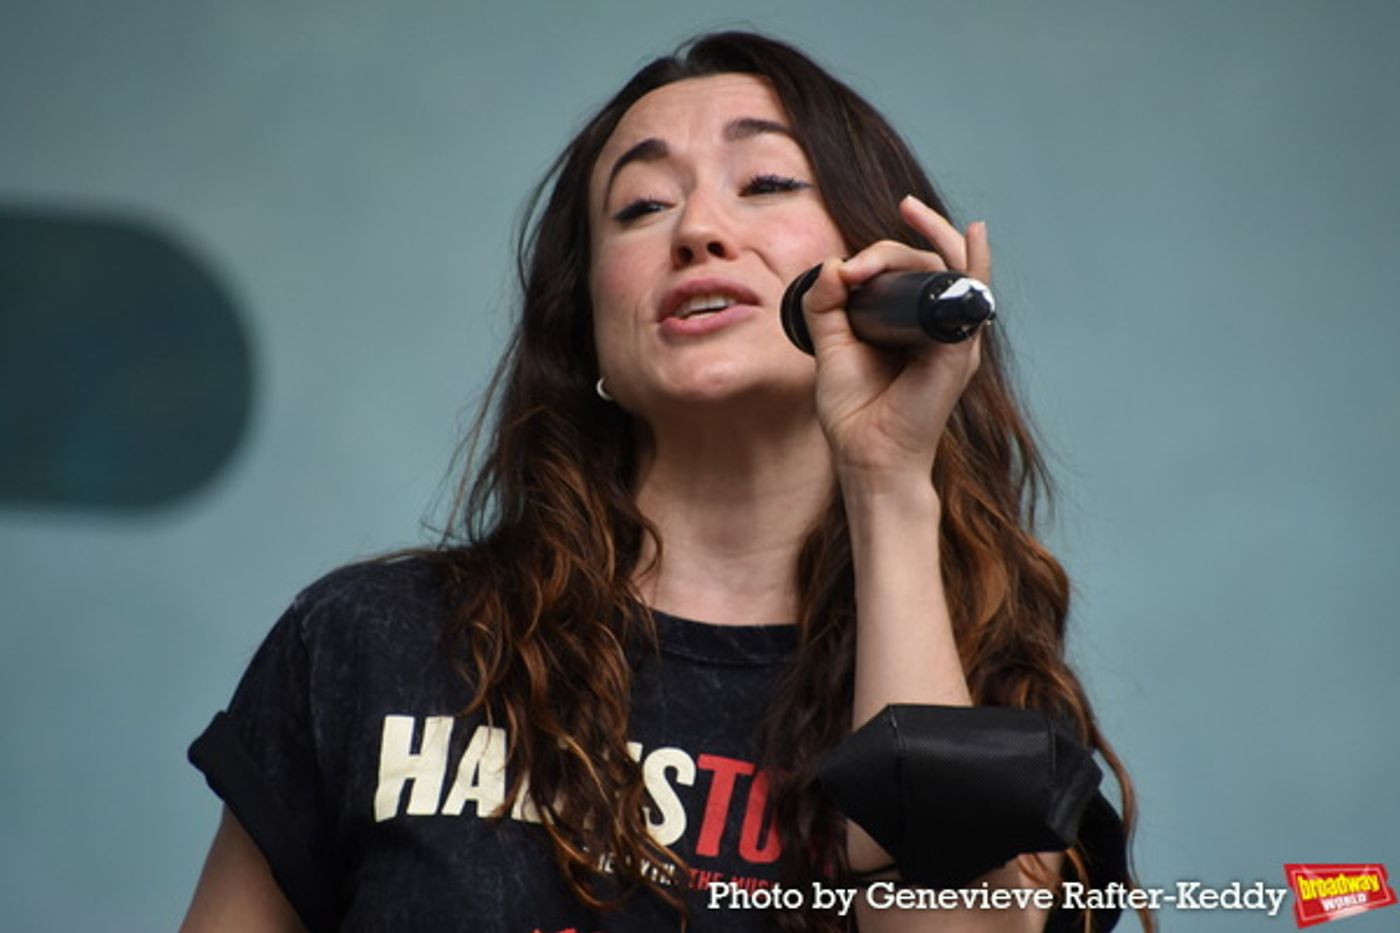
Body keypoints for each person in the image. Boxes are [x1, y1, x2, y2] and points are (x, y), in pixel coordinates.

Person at [182, 31, 1145, 933]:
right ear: (585, 330)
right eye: (642, 207)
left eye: (765, 181)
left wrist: (888, 475)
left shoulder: (987, 690)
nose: (698, 229)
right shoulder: (368, 641)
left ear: (869, 269)